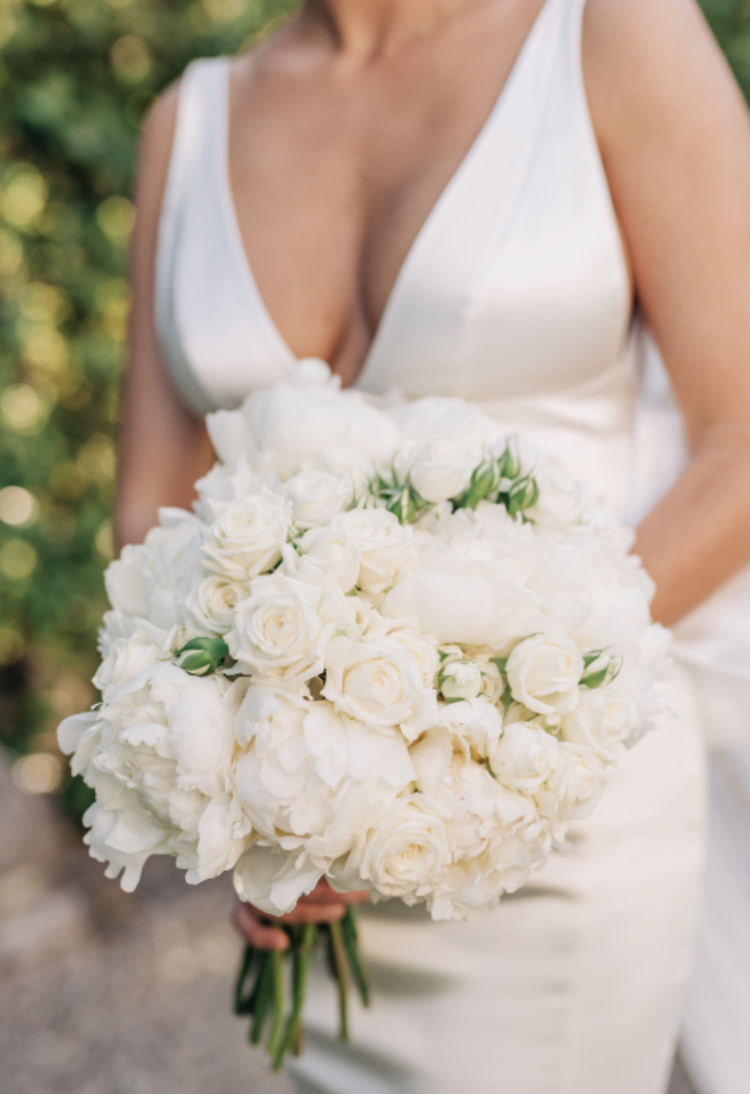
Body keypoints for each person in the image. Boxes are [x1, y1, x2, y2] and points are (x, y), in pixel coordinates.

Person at [116, 1, 750, 1091]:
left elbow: (742, 442)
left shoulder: (610, 32)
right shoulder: (193, 119)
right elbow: (149, 519)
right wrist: (234, 792)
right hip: (313, 846)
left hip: (563, 812)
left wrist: (470, 737)